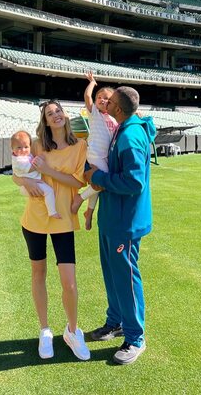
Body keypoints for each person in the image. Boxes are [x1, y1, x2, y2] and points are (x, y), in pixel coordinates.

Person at [12, 99, 91, 361]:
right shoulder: (35, 144)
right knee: (39, 272)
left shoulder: (80, 146)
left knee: (68, 281)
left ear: (65, 115)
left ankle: (72, 330)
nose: (55, 115)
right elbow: (15, 174)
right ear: (45, 121)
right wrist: (24, 180)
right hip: (34, 217)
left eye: (58, 111)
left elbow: (77, 181)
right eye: (49, 113)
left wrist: (47, 170)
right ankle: (44, 330)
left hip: (63, 219)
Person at [84, 86, 156, 365]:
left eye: (110, 101)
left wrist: (98, 177)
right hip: (112, 217)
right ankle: (115, 322)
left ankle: (135, 337)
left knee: (125, 278)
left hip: (125, 222)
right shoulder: (120, 127)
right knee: (113, 276)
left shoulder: (131, 135)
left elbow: (134, 182)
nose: (105, 102)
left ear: (119, 108)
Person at [71, 72, 117, 230]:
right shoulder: (94, 114)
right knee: (101, 182)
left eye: (108, 99)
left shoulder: (114, 119)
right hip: (95, 154)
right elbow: (87, 97)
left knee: (97, 185)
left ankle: (89, 213)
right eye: (100, 97)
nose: (103, 100)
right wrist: (92, 82)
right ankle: (80, 198)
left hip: (106, 157)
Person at [11, 130, 61, 219]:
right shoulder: (18, 160)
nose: (23, 150)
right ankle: (52, 212)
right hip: (30, 185)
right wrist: (39, 160)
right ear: (12, 148)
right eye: (19, 147)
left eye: (26, 147)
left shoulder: (23, 156)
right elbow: (30, 168)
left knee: (46, 193)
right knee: (49, 191)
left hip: (31, 182)